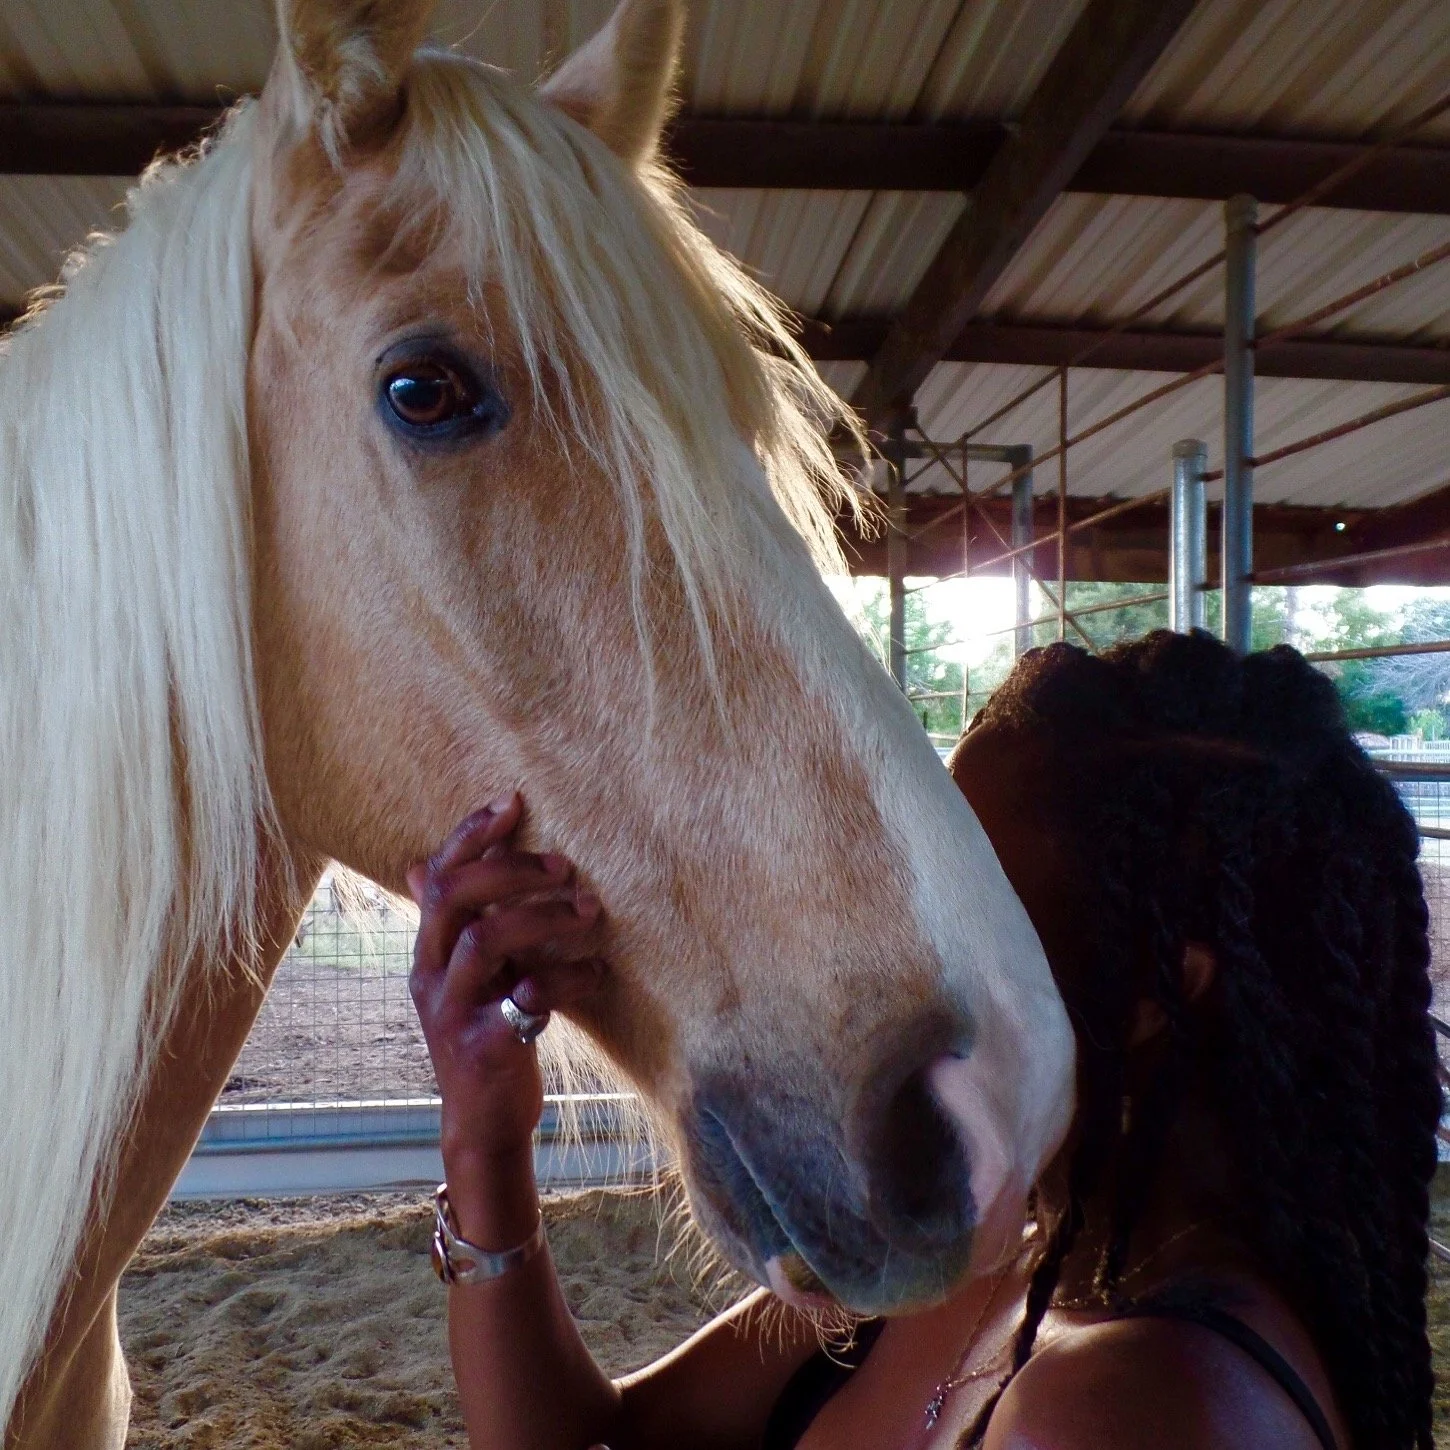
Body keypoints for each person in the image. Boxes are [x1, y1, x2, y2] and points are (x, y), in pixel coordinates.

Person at [406, 631, 1440, 1450]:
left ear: (1151, 994)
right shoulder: (1003, 1248)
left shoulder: (1126, 1405)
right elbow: (600, 1437)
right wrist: (486, 1138)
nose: (897, 949)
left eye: (965, 905)